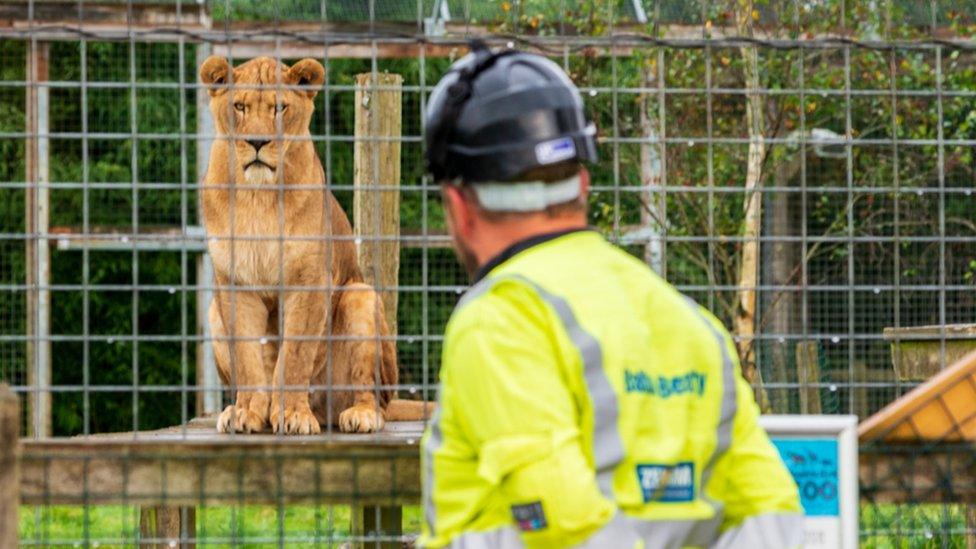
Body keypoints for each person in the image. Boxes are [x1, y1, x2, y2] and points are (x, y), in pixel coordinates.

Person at [419, 42, 803, 549]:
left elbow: (565, 524)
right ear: (582, 182)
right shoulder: (690, 321)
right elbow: (773, 516)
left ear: (459, 207)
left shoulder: (499, 321)